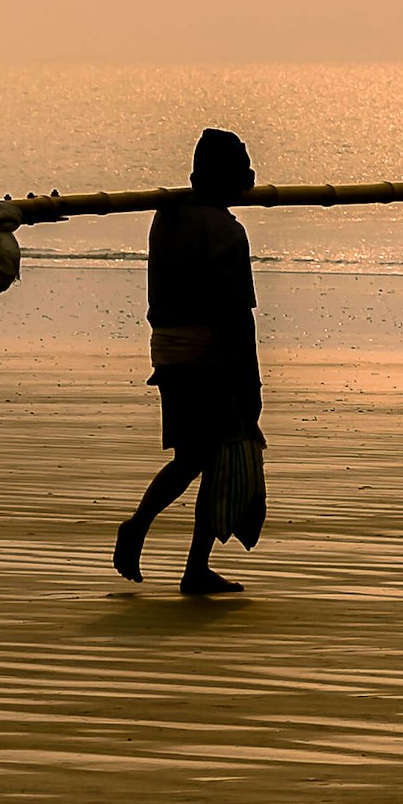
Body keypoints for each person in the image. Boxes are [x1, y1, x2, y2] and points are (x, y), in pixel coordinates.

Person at [115, 129, 261, 596]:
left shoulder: (167, 217)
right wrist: (250, 385)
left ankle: (155, 535)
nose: (251, 176)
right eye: (243, 168)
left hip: (167, 352)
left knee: (192, 457)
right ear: (226, 179)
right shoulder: (226, 231)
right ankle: (180, 556)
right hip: (209, 356)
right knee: (215, 458)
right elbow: (237, 316)